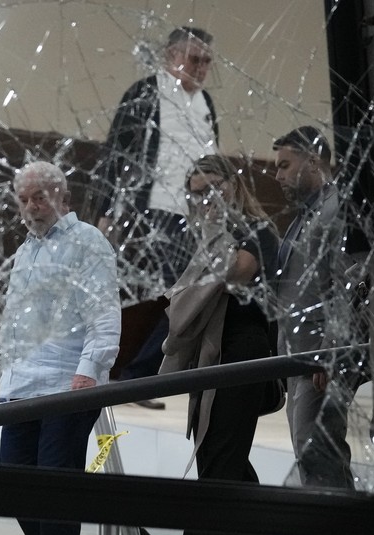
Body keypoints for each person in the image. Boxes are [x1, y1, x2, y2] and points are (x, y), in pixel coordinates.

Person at [0, 161, 121, 535]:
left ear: (63, 199)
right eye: (25, 199)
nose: (32, 207)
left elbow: (104, 312)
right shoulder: (25, 251)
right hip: (20, 388)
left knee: (53, 486)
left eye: (41, 197)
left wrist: (90, 372)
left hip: (66, 384)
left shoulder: (87, 241)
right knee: (13, 489)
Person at [158, 154, 278, 535]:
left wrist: (196, 278)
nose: (205, 200)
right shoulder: (203, 237)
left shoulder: (258, 230)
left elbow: (235, 272)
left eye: (212, 189)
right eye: (196, 194)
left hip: (244, 347)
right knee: (223, 452)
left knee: (222, 447)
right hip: (212, 351)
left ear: (232, 185)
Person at [94, 26, 220, 410]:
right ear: (170, 56)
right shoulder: (144, 93)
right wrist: (103, 211)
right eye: (193, 58)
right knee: (136, 294)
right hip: (144, 210)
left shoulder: (206, 103)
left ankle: (135, 377)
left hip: (189, 216)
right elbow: (116, 151)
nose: (200, 68)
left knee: (181, 297)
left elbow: (214, 162)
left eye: (206, 61)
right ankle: (125, 375)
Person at [272, 126, 367, 507]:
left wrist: (331, 351)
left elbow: (349, 284)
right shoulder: (306, 215)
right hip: (301, 355)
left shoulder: (335, 209)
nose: (277, 175)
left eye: (284, 165)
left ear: (313, 161)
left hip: (320, 356)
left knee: (318, 453)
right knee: (311, 453)